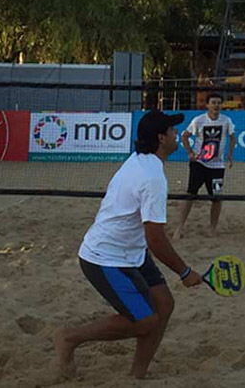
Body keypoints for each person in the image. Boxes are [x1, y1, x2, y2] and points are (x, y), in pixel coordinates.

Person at [53, 110, 202, 380]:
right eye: (171, 129)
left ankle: (137, 374)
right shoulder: (152, 177)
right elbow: (155, 239)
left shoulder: (143, 160)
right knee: (144, 321)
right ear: (161, 138)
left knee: (164, 305)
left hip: (130, 251)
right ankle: (69, 338)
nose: (175, 133)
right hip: (104, 257)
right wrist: (184, 271)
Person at [175, 93, 236, 238]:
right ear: (207, 105)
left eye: (218, 103)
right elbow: (184, 136)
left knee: (216, 197)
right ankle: (179, 228)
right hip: (199, 163)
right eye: (213, 103)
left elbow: (232, 137)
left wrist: (230, 154)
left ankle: (212, 228)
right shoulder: (199, 120)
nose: (216, 106)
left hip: (217, 166)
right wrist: (190, 152)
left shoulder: (226, 121)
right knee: (190, 194)